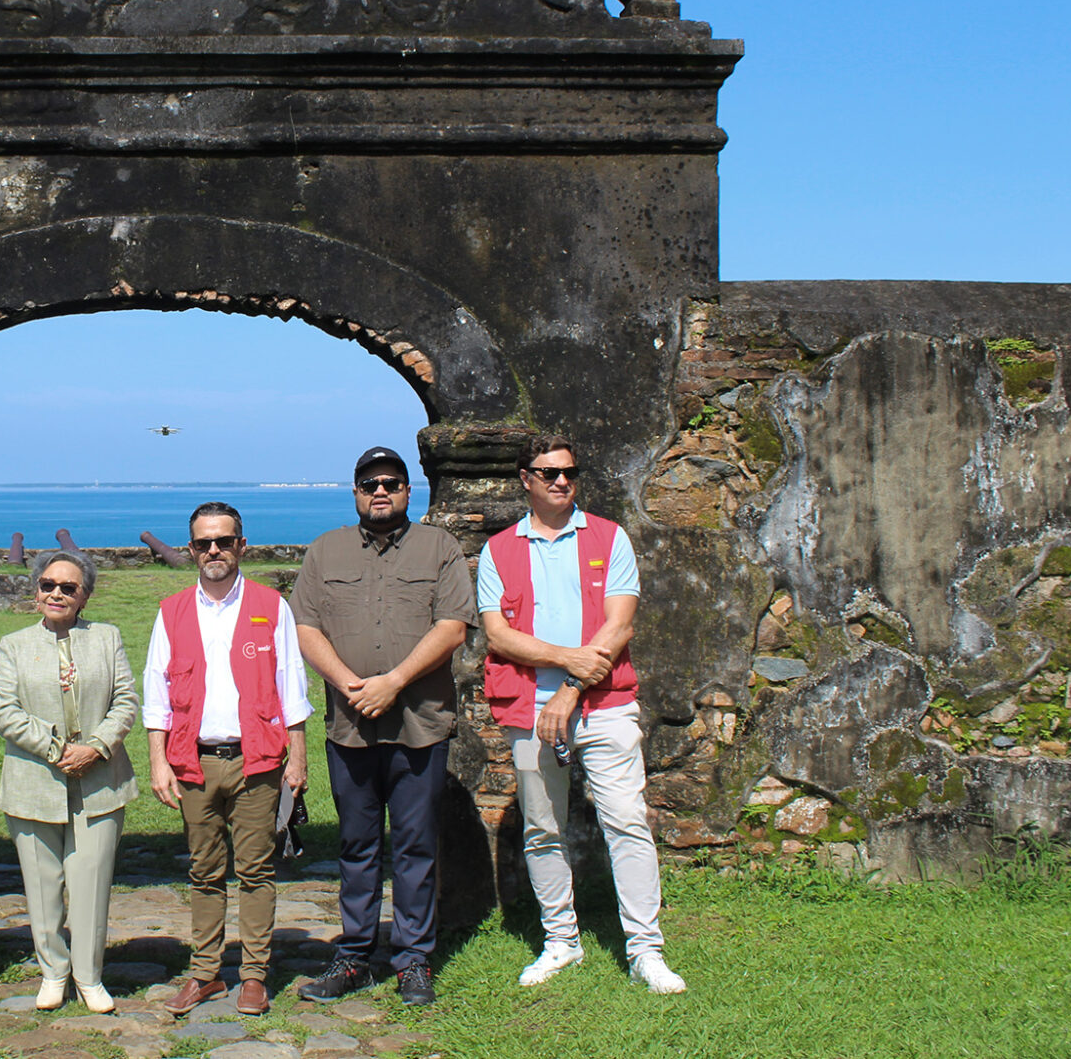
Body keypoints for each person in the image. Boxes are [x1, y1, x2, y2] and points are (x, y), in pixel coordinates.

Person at [478, 435, 686, 995]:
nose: (561, 482)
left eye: (569, 472)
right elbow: (497, 634)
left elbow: (619, 626)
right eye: (548, 473)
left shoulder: (609, 538)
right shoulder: (498, 550)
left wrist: (571, 684)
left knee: (627, 822)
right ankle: (560, 942)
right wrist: (564, 658)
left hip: (604, 704)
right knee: (544, 828)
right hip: (527, 704)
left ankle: (646, 950)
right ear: (526, 478)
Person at [291, 446, 477, 1007]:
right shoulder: (327, 551)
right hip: (351, 726)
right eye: (370, 483)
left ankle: (413, 959)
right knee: (357, 844)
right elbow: (304, 627)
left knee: (417, 844)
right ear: (355, 492)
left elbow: (453, 627)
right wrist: (352, 684)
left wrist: (393, 682)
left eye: (391, 483)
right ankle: (354, 956)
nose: (380, 491)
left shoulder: (438, 548)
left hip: (420, 723)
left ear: (407, 491)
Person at [143, 502, 311, 1018]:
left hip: (257, 759)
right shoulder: (171, 611)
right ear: (191, 550)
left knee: (257, 871)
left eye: (223, 541)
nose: (212, 551)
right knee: (205, 871)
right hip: (194, 760)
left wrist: (297, 758)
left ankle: (255, 975)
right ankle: (205, 973)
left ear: (242, 545)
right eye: (202, 543)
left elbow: (292, 684)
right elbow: (157, 689)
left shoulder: (270, 606)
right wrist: (158, 761)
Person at [0, 548, 139, 1013]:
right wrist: (57, 749)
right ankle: (53, 972)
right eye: (48, 585)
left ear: (84, 597)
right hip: (35, 779)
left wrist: (95, 747)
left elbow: (126, 700)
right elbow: (5, 712)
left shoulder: (107, 638)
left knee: (91, 881)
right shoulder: (14, 646)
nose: (56, 593)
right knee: (42, 882)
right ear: (36, 592)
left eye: (68, 587)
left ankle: (90, 976)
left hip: (100, 780)